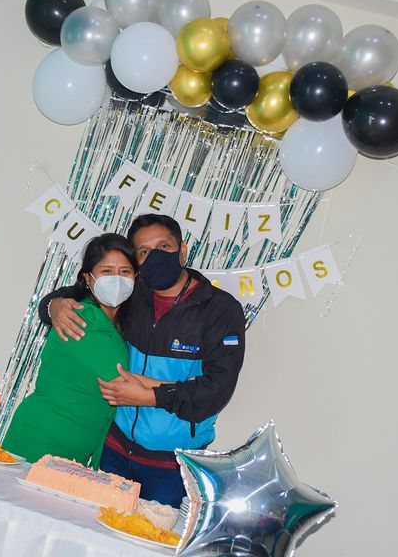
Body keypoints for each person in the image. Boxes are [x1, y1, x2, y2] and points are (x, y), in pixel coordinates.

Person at [39, 214, 246, 506]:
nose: (155, 257)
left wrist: (152, 397)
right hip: (112, 449)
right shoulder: (131, 293)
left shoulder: (220, 310)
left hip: (172, 464)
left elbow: (216, 390)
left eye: (164, 247)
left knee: (153, 533)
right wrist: (52, 305)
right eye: (144, 252)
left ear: (182, 250)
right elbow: (78, 293)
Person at [2, 233, 137, 467]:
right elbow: (120, 382)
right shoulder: (81, 316)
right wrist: (183, 391)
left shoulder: (121, 323)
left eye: (125, 271)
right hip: (44, 436)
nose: (116, 279)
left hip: (76, 447)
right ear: (87, 278)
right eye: (106, 271)